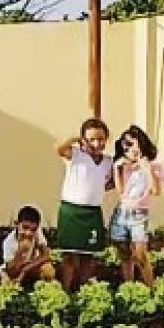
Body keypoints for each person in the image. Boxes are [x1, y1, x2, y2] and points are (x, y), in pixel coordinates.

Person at [55, 118, 113, 292]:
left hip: (93, 213)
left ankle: (83, 291)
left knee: (89, 256)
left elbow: (111, 182)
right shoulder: (75, 155)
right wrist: (76, 138)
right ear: (84, 140)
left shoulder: (108, 161)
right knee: (70, 256)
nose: (96, 144)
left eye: (101, 139)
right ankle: (66, 291)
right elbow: (58, 147)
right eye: (91, 139)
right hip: (72, 212)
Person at [109, 125, 164, 286]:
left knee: (140, 254)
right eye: (126, 146)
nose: (130, 149)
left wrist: (147, 169)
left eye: (132, 144)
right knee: (124, 253)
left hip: (139, 214)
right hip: (122, 212)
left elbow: (156, 191)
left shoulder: (154, 166)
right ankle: (129, 287)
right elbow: (121, 192)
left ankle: (150, 287)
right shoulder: (124, 167)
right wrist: (117, 169)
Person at [0, 205, 55, 286]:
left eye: (33, 230)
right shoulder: (9, 242)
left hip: (31, 266)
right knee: (6, 280)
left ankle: (43, 287)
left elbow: (46, 255)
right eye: (25, 228)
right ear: (17, 224)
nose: (28, 233)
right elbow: (11, 270)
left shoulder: (37, 233)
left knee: (48, 269)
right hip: (14, 269)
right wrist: (20, 252)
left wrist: (25, 270)